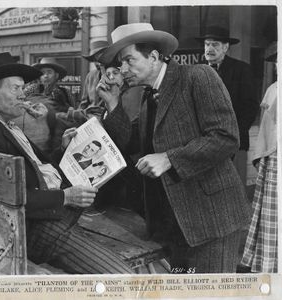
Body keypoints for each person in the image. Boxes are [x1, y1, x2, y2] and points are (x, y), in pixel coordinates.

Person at [0, 52, 134, 274]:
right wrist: (66, 197)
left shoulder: (6, 125)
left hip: (49, 215)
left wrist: (64, 148)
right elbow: (2, 198)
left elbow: (38, 171)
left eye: (23, 88)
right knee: (122, 276)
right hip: (33, 230)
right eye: (16, 89)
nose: (23, 95)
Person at [97, 23, 251, 273]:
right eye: (120, 63)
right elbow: (128, 142)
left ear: (154, 57)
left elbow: (226, 137)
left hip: (212, 220)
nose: (122, 70)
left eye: (128, 60)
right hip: (174, 225)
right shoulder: (150, 97)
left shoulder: (198, 76)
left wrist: (169, 158)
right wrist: (113, 104)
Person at [195, 26, 259, 183]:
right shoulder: (196, 70)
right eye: (207, 44)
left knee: (228, 183)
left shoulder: (241, 70)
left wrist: (233, 132)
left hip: (231, 139)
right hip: (201, 139)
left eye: (215, 44)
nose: (209, 48)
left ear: (225, 47)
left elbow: (250, 106)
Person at [241, 43, 278, 273]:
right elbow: (267, 128)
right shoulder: (274, 89)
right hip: (273, 159)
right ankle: (266, 264)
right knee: (270, 217)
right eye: (277, 62)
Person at [80, 40, 110, 109]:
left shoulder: (115, 75)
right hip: (89, 115)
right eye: (95, 60)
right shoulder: (90, 76)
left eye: (101, 59)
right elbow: (84, 103)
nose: (98, 63)